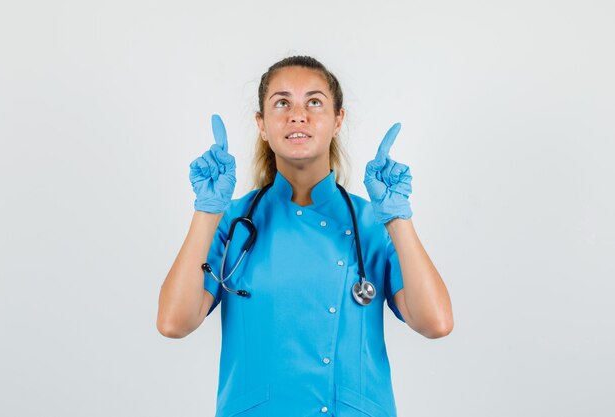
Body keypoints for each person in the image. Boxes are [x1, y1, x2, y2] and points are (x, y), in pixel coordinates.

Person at [157, 55, 453, 417]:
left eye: (314, 102)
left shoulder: (373, 222)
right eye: (282, 103)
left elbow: (435, 322)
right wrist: (206, 211)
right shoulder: (232, 221)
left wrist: (397, 217)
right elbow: (174, 322)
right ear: (262, 124)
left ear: (338, 120)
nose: (298, 115)